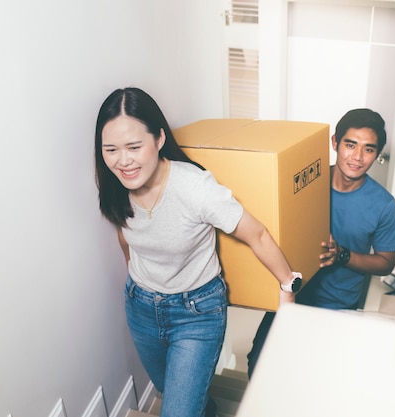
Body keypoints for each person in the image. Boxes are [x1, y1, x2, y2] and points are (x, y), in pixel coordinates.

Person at [94, 87, 301, 417]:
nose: (123, 160)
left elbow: (257, 234)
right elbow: (126, 238)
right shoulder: (116, 183)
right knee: (172, 392)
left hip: (197, 313)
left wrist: (288, 287)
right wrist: (138, 284)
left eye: (134, 147)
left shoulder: (195, 187)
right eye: (111, 150)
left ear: (159, 139)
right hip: (141, 307)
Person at [246, 108, 395, 378]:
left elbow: (387, 263)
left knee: (314, 378)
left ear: (377, 155)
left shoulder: (384, 206)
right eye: (350, 145)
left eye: (368, 149)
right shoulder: (306, 183)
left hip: (337, 307)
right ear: (334, 143)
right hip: (292, 295)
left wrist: (342, 255)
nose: (357, 157)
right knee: (260, 367)